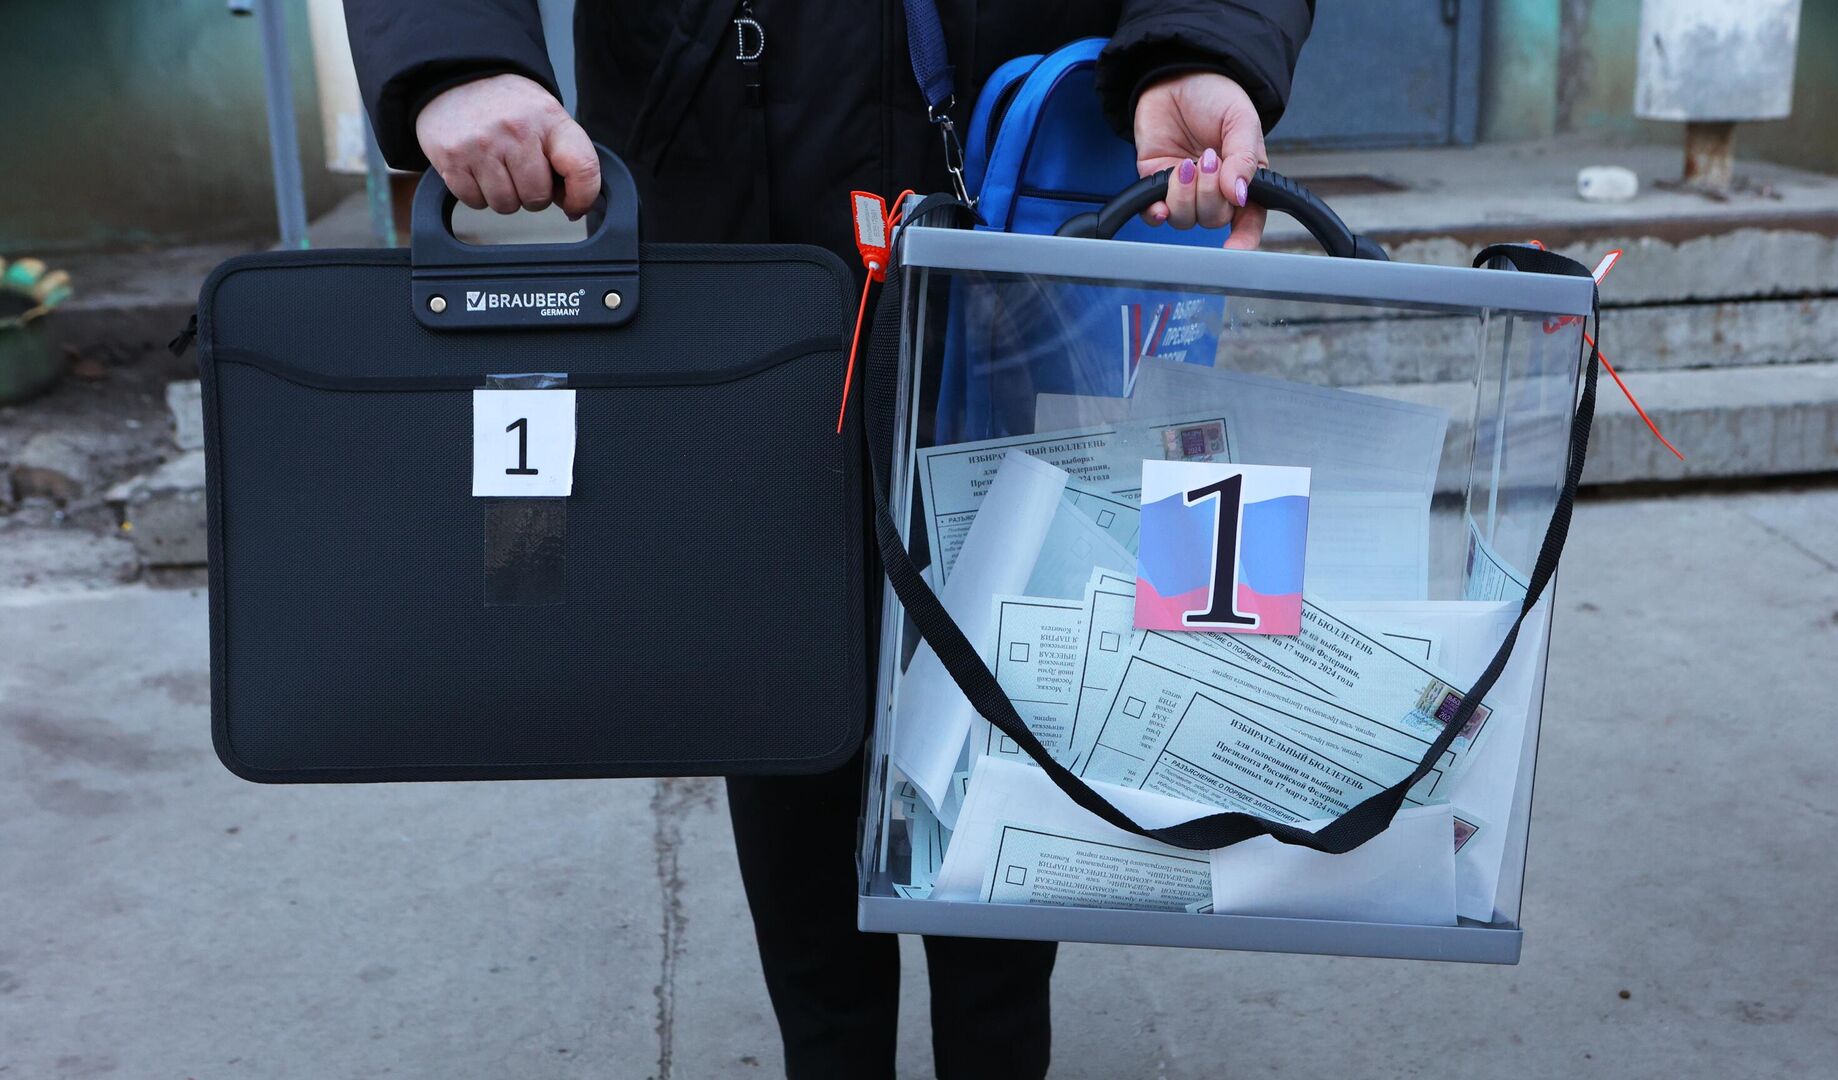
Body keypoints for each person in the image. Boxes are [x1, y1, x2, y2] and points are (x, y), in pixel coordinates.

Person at [343, 2, 1313, 1076]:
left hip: (1027, 171)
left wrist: (1198, 43)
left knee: (1015, 666)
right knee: (782, 688)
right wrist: (456, 53)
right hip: (725, 166)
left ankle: (999, 1046)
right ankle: (829, 1052)